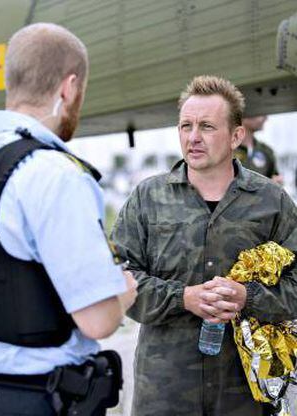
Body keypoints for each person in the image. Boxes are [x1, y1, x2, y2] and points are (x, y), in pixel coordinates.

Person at [0, 23, 137, 416]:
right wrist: (124, 292)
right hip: (41, 400)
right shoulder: (56, 174)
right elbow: (98, 321)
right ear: (69, 88)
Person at [112, 75, 297, 416]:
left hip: (245, 394)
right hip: (165, 393)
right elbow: (118, 280)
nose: (193, 137)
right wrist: (184, 298)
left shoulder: (272, 203)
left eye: (207, 127)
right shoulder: (147, 199)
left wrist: (248, 297)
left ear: (236, 136)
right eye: (186, 126)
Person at [234, 115, 283, 184]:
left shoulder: (266, 151)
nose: (266, 118)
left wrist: (276, 182)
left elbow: (275, 178)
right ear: (246, 115)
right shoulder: (226, 149)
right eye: (260, 114)